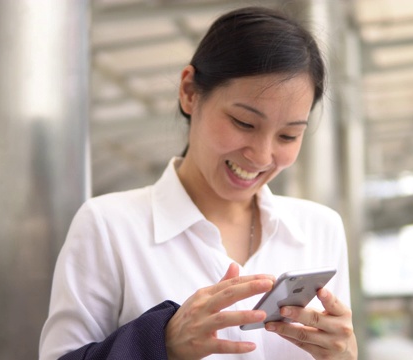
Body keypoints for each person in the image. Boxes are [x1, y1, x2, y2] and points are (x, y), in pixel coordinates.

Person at [39, 6, 357, 360]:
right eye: (243, 123)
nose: (262, 155)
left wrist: (343, 355)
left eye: (287, 135)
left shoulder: (320, 229)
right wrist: (161, 343)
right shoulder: (109, 226)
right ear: (189, 91)